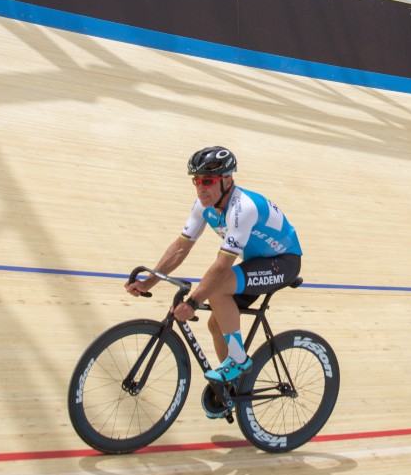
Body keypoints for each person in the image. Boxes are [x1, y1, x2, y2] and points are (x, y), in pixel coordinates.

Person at [125, 146, 303, 395]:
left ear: (227, 180)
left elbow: (222, 265)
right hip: (256, 262)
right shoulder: (203, 206)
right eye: (196, 181)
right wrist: (148, 282)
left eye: (207, 181)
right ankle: (233, 389)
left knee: (217, 287)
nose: (200, 188)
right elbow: (180, 248)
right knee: (216, 325)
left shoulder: (244, 208)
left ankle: (238, 360)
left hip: (283, 261)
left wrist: (193, 302)